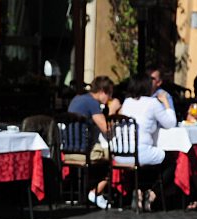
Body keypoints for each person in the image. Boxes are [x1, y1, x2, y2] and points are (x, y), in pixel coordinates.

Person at [117, 73, 177, 210]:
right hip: (140, 154)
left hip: (121, 154)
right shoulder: (152, 103)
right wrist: (166, 103)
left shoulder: (127, 102)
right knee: (172, 160)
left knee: (147, 160)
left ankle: (138, 190)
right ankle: (152, 193)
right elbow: (170, 123)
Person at [68, 76, 120, 208]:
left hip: (69, 149)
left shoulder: (77, 98)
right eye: (109, 94)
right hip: (84, 150)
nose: (110, 98)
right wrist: (112, 110)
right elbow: (107, 129)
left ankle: (89, 190)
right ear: (102, 91)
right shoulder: (92, 103)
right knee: (117, 158)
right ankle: (96, 192)